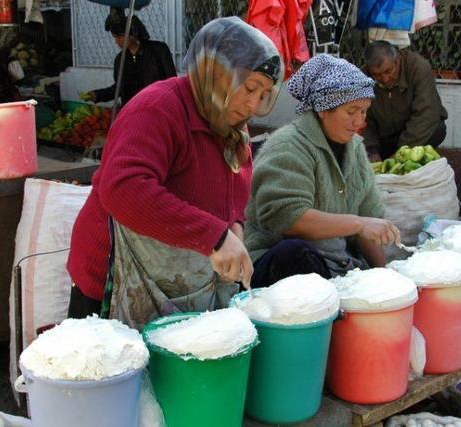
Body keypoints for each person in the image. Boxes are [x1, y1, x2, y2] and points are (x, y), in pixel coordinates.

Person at [66, 17, 283, 328]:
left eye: (263, 94)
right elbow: (123, 188)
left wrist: (234, 226)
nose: (252, 103)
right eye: (249, 88)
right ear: (216, 74)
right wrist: (214, 236)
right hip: (111, 283)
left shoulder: (231, 125)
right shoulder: (158, 108)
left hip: (175, 283)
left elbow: (234, 191)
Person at [244, 54, 401, 288]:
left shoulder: (355, 149)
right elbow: (288, 218)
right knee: (295, 252)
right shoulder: (288, 146)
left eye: (364, 111)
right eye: (351, 111)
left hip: (337, 266)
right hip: (279, 269)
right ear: (323, 109)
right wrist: (358, 224)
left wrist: (384, 276)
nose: (359, 121)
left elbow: (368, 219)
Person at [362, 41, 448, 161]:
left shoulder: (417, 67)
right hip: (384, 137)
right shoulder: (363, 78)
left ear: (397, 61)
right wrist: (371, 150)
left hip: (413, 133)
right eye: (377, 75)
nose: (385, 79)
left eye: (388, 71)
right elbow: (364, 119)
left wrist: (402, 152)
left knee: (438, 129)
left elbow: (426, 114)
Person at [79, 8, 176, 107]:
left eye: (119, 37)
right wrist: (97, 95)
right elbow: (119, 89)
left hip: (157, 107)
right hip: (132, 110)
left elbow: (173, 83)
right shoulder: (120, 60)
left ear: (132, 35)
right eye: (115, 37)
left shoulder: (159, 50)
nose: (116, 42)